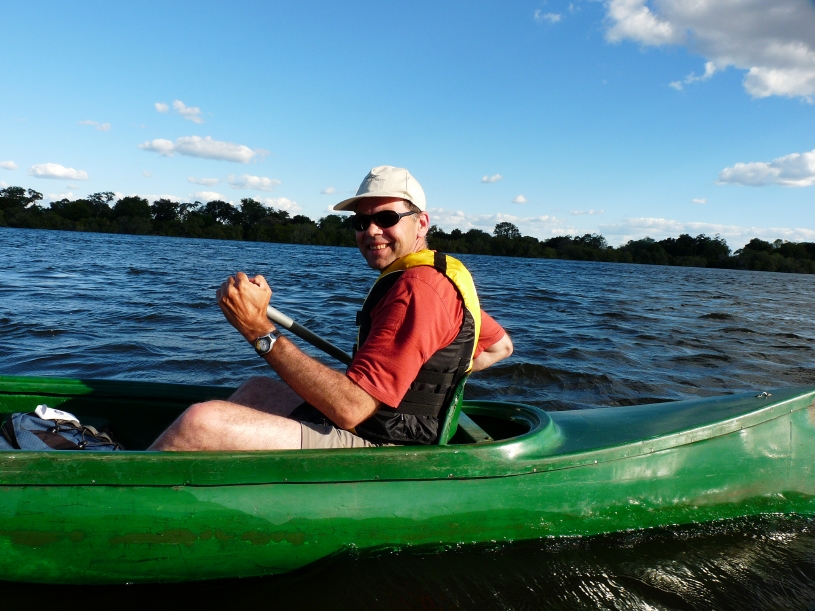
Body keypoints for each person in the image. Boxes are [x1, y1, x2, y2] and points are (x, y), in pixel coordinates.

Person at [149, 166, 512, 451]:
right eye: (361, 222)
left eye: (387, 218)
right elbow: (499, 347)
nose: (372, 230)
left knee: (200, 421)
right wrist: (418, 379)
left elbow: (352, 410)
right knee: (256, 390)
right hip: (384, 421)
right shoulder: (440, 278)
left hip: (389, 445)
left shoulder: (418, 288)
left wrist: (257, 330)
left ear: (421, 223)